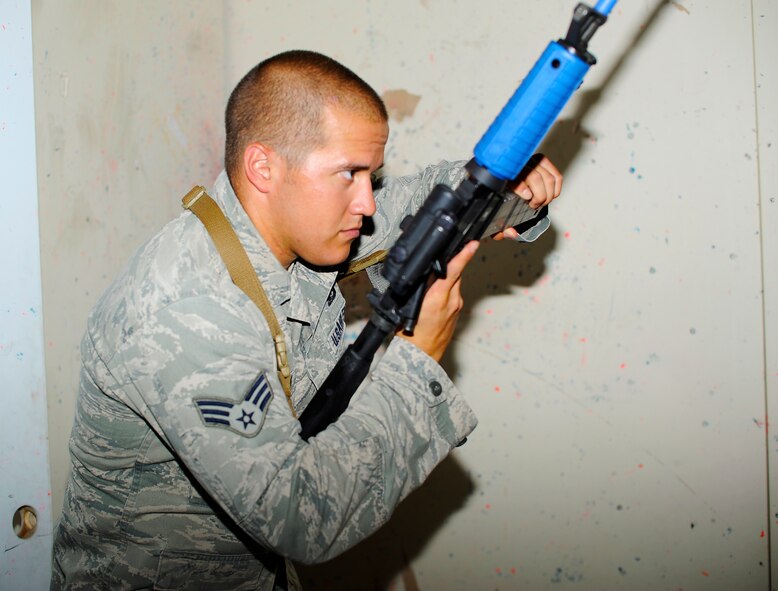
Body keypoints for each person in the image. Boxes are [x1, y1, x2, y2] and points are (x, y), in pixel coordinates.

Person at [51, 50, 562, 590]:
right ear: (263, 168)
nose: (366, 202)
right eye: (349, 173)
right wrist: (419, 362)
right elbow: (299, 516)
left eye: (372, 174)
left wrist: (509, 190)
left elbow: (421, 208)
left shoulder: (297, 229)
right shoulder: (184, 306)